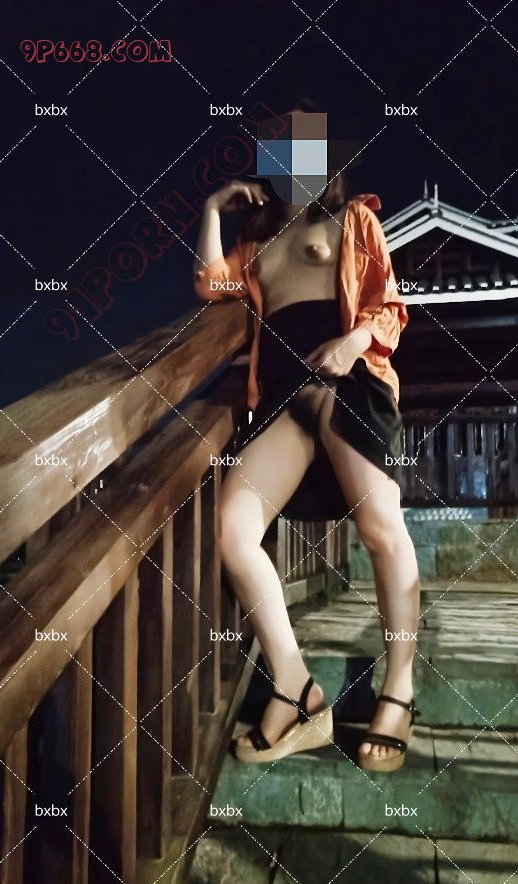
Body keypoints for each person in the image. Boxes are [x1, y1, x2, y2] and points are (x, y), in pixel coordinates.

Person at [193, 150, 420, 772]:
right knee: (233, 531)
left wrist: (353, 342)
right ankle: (297, 688)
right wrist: (213, 209)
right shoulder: (256, 242)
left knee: (382, 529)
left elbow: (387, 304)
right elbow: (211, 283)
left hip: (347, 382)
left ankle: (399, 689)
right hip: (283, 400)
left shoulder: (353, 219)